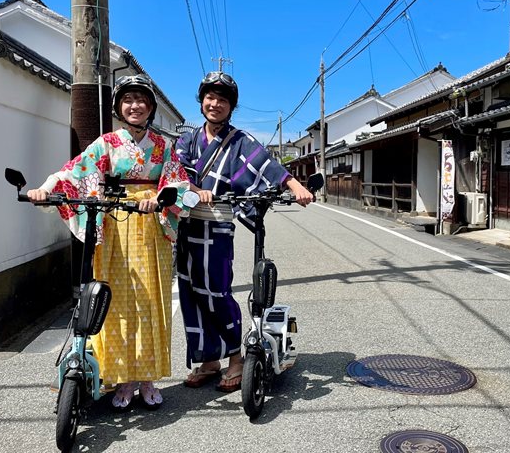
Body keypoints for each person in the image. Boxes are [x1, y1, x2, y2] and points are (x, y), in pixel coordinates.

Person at [26, 74, 189, 410]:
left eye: (141, 100)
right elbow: (74, 172)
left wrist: (160, 197)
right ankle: (121, 377)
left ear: (151, 107)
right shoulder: (106, 143)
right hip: (114, 226)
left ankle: (147, 378)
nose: (135, 106)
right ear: (118, 107)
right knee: (113, 303)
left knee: (151, 302)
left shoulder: (163, 146)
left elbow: (179, 185)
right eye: (128, 100)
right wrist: (45, 189)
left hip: (151, 229)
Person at [175, 71, 314, 392]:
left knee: (216, 291)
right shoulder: (187, 139)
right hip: (186, 224)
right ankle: (209, 359)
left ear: (231, 106)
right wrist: (193, 188)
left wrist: (295, 186)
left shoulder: (240, 140)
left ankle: (236, 357)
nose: (215, 104)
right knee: (191, 293)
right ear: (201, 100)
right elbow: (176, 171)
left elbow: (266, 164)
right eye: (210, 97)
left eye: (222, 100)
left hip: (217, 225)